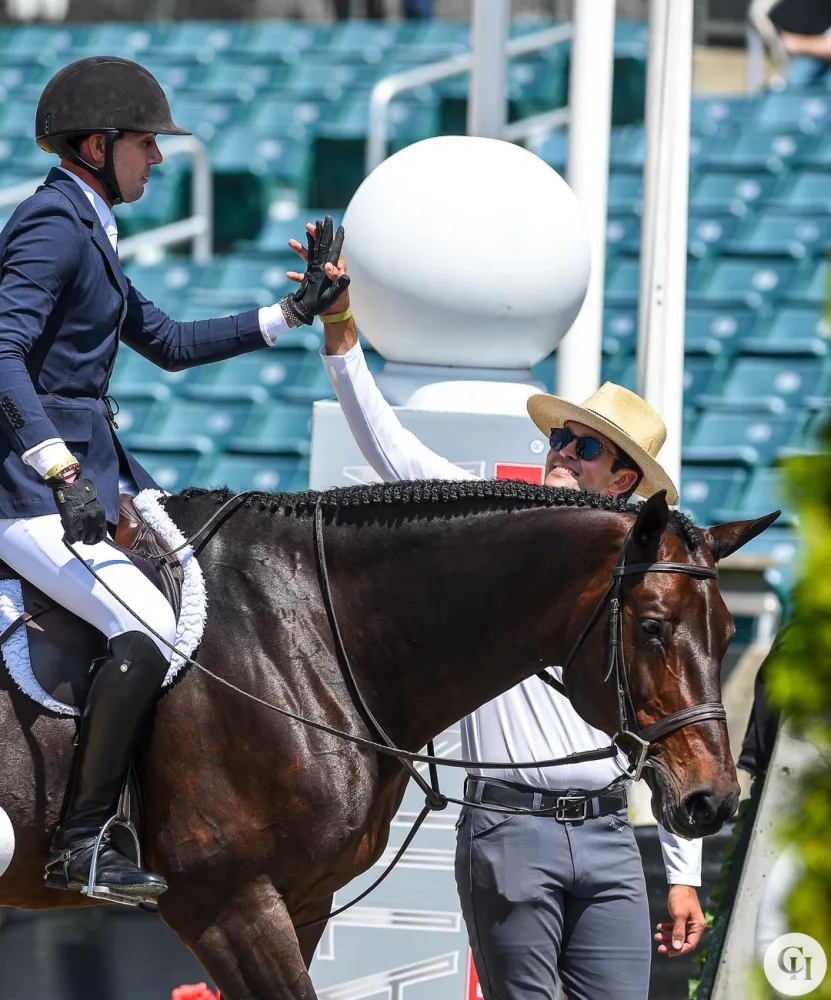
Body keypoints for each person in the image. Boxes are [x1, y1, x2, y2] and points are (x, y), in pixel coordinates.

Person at [285, 220, 707, 1000]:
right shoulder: (497, 532)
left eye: (583, 447)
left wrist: (682, 874)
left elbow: (672, 717)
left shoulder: (642, 585)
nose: (560, 450)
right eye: (562, 437)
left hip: (613, 830)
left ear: (622, 482)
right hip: (510, 826)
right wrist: (342, 332)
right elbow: (391, 452)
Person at [0, 59, 347, 902]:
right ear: (97, 144)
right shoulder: (51, 226)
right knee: (146, 625)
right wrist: (60, 468)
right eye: (147, 142)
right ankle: (81, 841)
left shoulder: (90, 228)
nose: (156, 158)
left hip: (88, 476)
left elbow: (172, 343)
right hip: (30, 490)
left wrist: (292, 313)